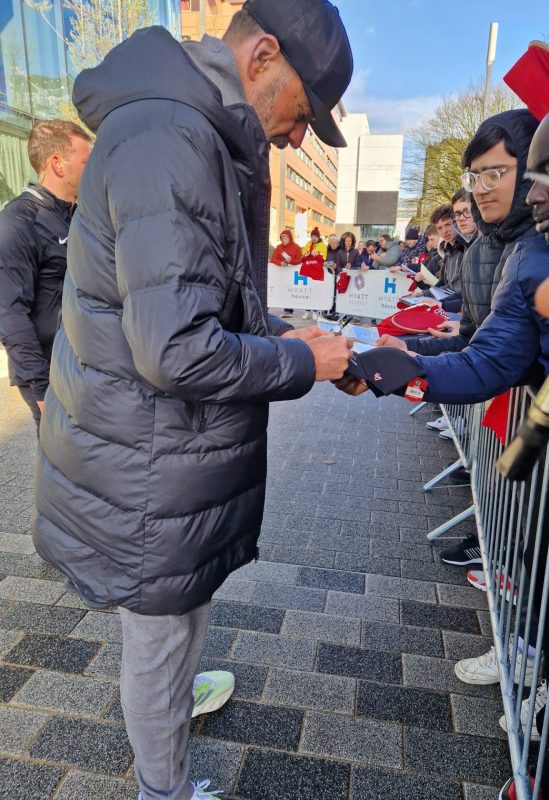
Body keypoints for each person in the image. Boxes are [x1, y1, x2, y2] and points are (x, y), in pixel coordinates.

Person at [33, 3, 353, 800]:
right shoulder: (170, 136)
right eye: (304, 111)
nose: (299, 136)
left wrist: (291, 339)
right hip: (147, 464)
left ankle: (170, 733)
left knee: (172, 632)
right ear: (264, 56)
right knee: (159, 641)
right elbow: (177, 348)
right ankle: (162, 790)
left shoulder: (192, 129)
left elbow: (207, 302)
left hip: (153, 455)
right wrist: (297, 361)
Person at [338, 85, 549, 800]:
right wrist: (411, 370)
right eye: (474, 176)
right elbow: (490, 360)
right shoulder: (533, 262)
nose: (529, 193)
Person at [388, 109, 539, 357]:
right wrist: (406, 352)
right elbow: (473, 342)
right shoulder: (475, 253)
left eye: (492, 175)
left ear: (528, 171)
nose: (480, 190)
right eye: (473, 178)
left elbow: (494, 360)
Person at [0, 120, 92, 432]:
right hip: (51, 373)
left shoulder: (79, 215)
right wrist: (41, 390)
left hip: (86, 365)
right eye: (85, 162)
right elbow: (9, 311)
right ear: (57, 164)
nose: (92, 169)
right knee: (63, 468)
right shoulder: (18, 222)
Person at [271, 228, 302, 318]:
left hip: (292, 273)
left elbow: (299, 260)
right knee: (282, 288)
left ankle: (288, 310)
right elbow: (273, 258)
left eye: (285, 238)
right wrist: (280, 263)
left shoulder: (296, 247)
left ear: (290, 238)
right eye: (282, 238)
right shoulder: (278, 247)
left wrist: (290, 260)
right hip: (281, 273)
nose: (283, 240)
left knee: (290, 289)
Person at [301, 226, 328, 320]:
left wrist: (317, 254)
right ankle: (307, 311)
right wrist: (306, 253)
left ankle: (315, 311)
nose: (313, 238)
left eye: (315, 236)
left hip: (316, 271)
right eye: (312, 236)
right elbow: (303, 253)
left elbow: (324, 257)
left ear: (318, 237)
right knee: (308, 291)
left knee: (315, 291)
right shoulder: (308, 243)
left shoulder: (323, 245)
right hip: (308, 271)